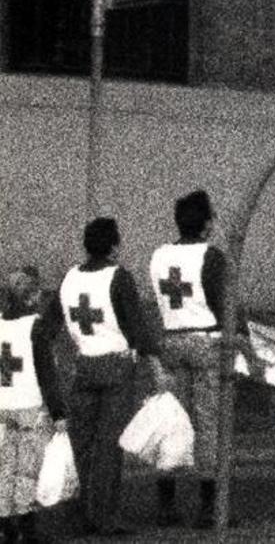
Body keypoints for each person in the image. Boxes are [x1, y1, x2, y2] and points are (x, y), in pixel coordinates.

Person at [42, 217, 169, 537]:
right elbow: (137, 327)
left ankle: (85, 512)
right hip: (117, 367)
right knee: (109, 446)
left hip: (82, 366)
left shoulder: (68, 278)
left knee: (82, 443)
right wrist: (156, 367)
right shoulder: (119, 277)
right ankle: (105, 517)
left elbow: (49, 326)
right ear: (114, 246)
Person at [148, 190, 242, 528]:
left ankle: (165, 502)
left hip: (171, 340)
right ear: (207, 223)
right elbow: (224, 302)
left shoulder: (159, 256)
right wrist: (241, 336)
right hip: (206, 341)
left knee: (171, 420)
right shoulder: (212, 257)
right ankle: (207, 505)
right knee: (209, 424)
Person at [0, 268, 68, 543]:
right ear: (33, 297)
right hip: (29, 406)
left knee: (4, 468)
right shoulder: (36, 327)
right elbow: (46, 374)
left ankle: (5, 526)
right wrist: (58, 412)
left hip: (2, 406)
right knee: (27, 470)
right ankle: (28, 528)